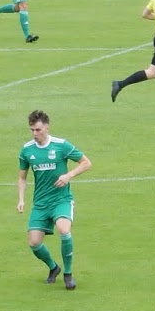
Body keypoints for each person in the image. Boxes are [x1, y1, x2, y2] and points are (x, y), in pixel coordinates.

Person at [17, 109, 92, 290]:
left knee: (64, 230)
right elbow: (22, 177)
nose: (35, 134)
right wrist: (21, 199)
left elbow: (86, 162)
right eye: (32, 130)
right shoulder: (27, 150)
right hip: (41, 203)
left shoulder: (61, 145)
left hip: (61, 200)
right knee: (34, 243)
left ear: (47, 128)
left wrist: (69, 175)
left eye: (38, 130)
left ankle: (68, 274)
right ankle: (54, 267)